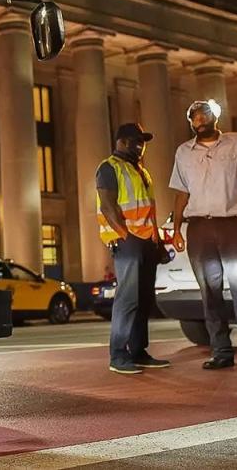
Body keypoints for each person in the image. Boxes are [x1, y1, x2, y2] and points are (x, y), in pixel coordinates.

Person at [170, 100, 237, 372]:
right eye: (193, 117)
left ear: (214, 116)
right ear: (190, 122)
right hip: (199, 230)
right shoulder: (183, 152)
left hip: (232, 227)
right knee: (209, 292)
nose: (198, 120)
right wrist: (176, 229)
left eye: (203, 114)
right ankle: (221, 351)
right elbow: (181, 193)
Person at [96, 123, 170, 375]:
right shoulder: (109, 167)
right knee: (127, 300)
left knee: (143, 299)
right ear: (122, 142)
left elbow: (148, 209)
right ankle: (118, 355)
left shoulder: (140, 171)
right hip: (128, 241)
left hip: (147, 241)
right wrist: (125, 235)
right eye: (136, 141)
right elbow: (107, 206)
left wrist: (157, 241)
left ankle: (138, 351)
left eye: (143, 141)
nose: (141, 146)